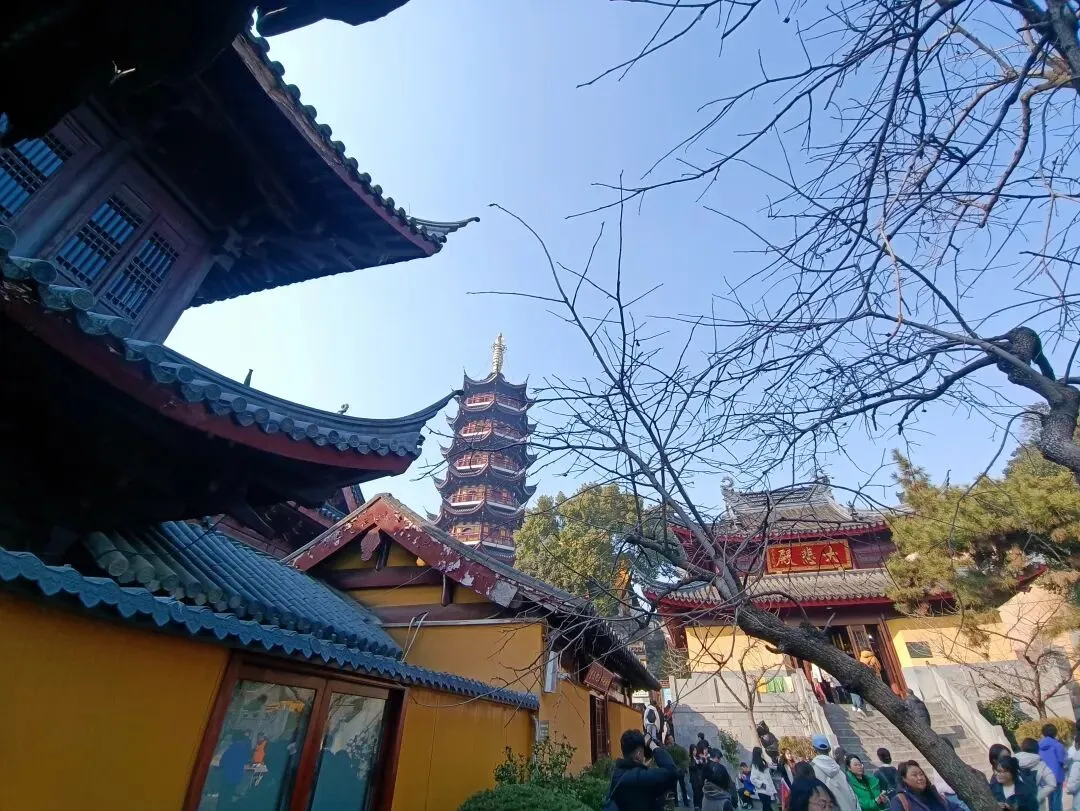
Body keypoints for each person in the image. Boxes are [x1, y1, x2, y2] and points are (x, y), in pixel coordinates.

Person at [608, 729, 679, 811]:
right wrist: (653, 746)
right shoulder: (640, 777)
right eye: (643, 752)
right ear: (638, 754)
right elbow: (672, 772)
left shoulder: (617, 773)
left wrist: (642, 767)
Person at [811, 734, 859, 811]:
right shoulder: (840, 769)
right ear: (829, 749)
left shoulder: (812, 769)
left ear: (814, 749)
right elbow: (852, 794)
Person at [1017, 737, 1057, 810]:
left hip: (1018, 802)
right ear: (1037, 749)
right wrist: (1038, 797)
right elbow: (1052, 784)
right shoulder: (1041, 764)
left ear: (1022, 748)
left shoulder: (1012, 761)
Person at [1038, 724, 1066, 811]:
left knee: (1050, 798)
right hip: (1057, 775)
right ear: (1055, 733)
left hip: (1044, 775)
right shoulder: (1058, 745)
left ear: (1043, 733)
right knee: (1057, 799)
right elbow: (1062, 760)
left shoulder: (1038, 745)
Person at [753, 746, 779, 811]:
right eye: (761, 753)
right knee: (767, 807)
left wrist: (773, 791)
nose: (762, 754)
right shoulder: (755, 765)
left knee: (766, 807)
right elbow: (753, 779)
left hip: (767, 790)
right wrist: (763, 785)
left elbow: (768, 778)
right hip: (762, 791)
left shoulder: (763, 762)